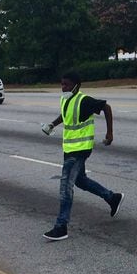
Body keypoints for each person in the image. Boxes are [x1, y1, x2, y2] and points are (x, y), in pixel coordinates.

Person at [41, 70, 123, 241]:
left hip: (80, 150)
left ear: (76, 86)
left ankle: (61, 226)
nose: (63, 87)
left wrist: (110, 133)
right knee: (80, 180)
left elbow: (106, 107)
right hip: (70, 148)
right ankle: (112, 198)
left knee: (65, 186)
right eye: (62, 84)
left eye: (67, 84)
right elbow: (66, 115)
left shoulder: (84, 100)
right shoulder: (67, 99)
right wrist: (52, 124)